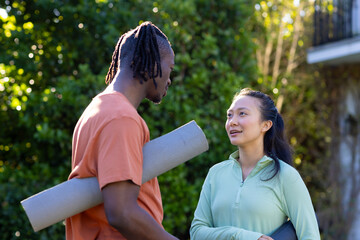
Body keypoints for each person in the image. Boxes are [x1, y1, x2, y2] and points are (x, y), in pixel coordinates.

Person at [65, 21, 178, 240]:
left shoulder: (97, 109)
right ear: (151, 61)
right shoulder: (121, 117)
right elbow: (121, 212)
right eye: (169, 68)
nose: (169, 79)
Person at [190, 88, 321, 240]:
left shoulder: (286, 176)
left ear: (265, 125)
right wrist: (240, 236)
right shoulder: (216, 173)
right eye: (229, 115)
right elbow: (196, 232)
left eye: (242, 114)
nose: (232, 122)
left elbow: (310, 236)